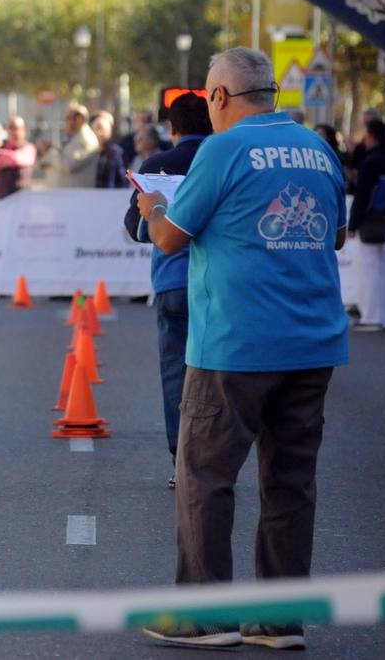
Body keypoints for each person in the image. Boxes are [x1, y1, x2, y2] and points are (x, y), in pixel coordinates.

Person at [136, 48, 347, 650]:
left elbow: (173, 238)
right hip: (312, 342)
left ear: (220, 98)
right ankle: (278, 621)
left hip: (234, 344)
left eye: (207, 97)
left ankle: (207, 615)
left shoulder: (222, 150)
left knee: (204, 476)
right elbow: (333, 235)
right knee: (290, 481)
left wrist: (153, 206)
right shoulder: (318, 148)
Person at [123, 93, 211, 486]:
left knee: (177, 370)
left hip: (174, 282)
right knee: (216, 373)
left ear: (171, 129)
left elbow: (134, 227)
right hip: (221, 285)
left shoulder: (157, 164)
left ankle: (182, 463)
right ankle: (215, 457)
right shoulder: (223, 160)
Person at [348, 119, 385, 331]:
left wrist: (353, 224)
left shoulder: (371, 162)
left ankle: (371, 316)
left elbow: (363, 196)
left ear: (373, 137)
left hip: (369, 224)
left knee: (368, 270)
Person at [43, 103, 99, 187]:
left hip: (77, 195)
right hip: (65, 194)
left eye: (68, 118)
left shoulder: (87, 140)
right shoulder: (71, 137)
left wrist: (50, 151)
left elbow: (69, 166)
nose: (65, 122)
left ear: (79, 119)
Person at [0, 116, 38, 199]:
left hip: (21, 200)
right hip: (1, 199)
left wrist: (5, 155)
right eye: (11, 128)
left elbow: (19, 159)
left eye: (16, 128)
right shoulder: (2, 147)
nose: (14, 131)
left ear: (24, 130)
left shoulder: (28, 147)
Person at [91, 111, 127, 189]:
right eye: (96, 128)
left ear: (109, 132)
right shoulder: (86, 152)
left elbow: (122, 179)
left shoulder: (116, 152)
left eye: (102, 129)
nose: (100, 133)